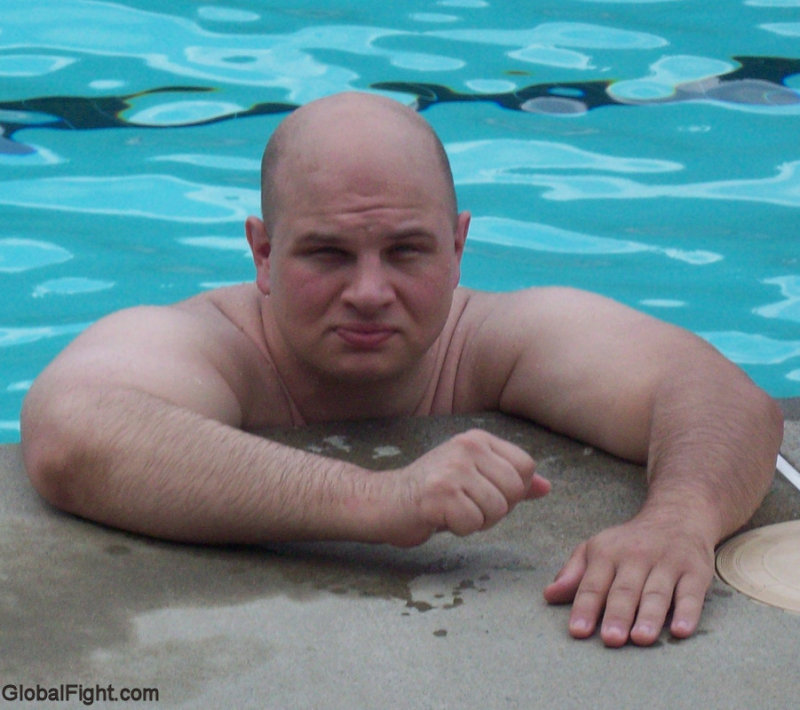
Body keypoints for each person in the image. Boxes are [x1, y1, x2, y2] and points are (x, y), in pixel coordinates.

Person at [20, 92, 783, 648]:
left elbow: (721, 393)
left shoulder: (494, 334)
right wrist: (378, 499)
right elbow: (74, 432)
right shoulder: (209, 344)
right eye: (327, 253)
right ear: (261, 253)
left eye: (407, 251)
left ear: (458, 246)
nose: (370, 292)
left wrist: (680, 520)